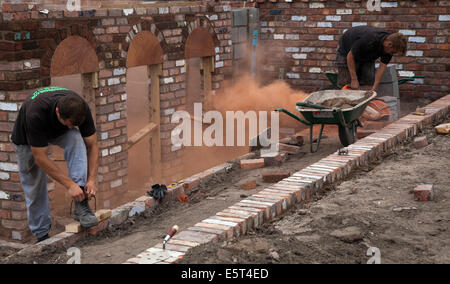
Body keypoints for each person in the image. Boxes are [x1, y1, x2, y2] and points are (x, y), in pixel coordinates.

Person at [11, 86, 99, 243]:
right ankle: (42, 234)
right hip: (26, 138)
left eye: (75, 124)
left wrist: (91, 179)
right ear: (58, 112)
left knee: (75, 139)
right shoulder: (35, 113)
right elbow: (40, 158)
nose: (71, 127)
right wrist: (69, 185)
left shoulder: (80, 108)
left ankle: (81, 204)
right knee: (34, 183)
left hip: (56, 129)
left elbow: (92, 145)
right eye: (69, 123)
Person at [335, 26, 407, 91]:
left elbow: (382, 67)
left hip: (368, 54)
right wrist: (354, 79)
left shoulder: (390, 47)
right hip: (347, 49)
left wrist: (375, 87)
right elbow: (350, 56)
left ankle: (364, 102)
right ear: (388, 44)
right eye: (392, 52)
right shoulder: (370, 38)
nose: (391, 54)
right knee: (347, 83)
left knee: (368, 82)